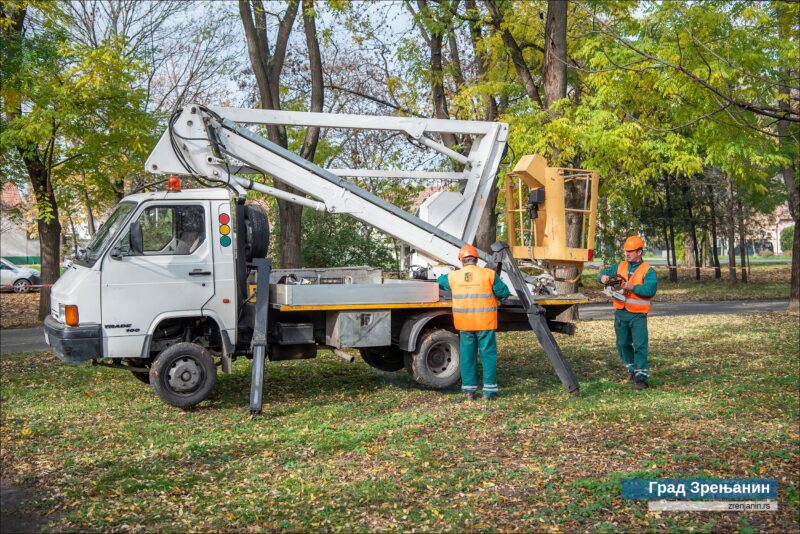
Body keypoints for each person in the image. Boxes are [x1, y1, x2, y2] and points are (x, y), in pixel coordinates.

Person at [437, 244, 511, 401]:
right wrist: (499, 299)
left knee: (468, 357)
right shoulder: (489, 274)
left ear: (462, 261)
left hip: (465, 324)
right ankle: (489, 392)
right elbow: (504, 293)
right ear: (476, 260)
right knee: (488, 356)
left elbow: (439, 280)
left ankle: (469, 391)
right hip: (485, 323)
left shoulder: (453, 276)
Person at [598, 236, 658, 390]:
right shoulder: (620, 266)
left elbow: (650, 290)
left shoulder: (648, 271)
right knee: (622, 344)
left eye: (631, 251)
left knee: (640, 346)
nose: (627, 254)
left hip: (638, 315)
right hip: (621, 312)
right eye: (626, 251)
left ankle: (641, 378)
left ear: (639, 252)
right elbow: (602, 274)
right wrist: (602, 277)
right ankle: (632, 370)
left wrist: (633, 287)